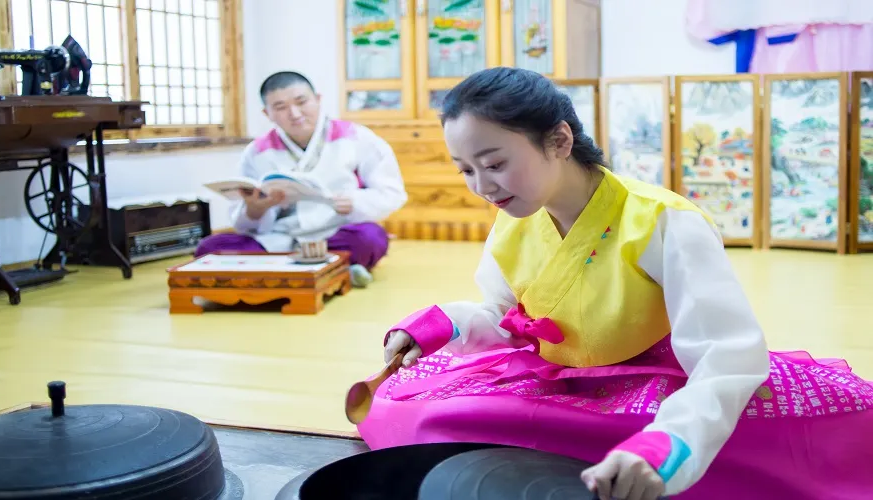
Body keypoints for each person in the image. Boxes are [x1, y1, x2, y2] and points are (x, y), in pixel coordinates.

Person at [356, 67, 873, 499]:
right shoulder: (515, 218)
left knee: (787, 446)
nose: (482, 187)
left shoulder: (664, 221)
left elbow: (725, 355)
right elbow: (504, 318)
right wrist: (442, 325)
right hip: (557, 379)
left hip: (656, 383)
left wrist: (667, 444)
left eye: (494, 164)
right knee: (403, 404)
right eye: (466, 170)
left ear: (559, 140)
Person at [195, 71, 407, 287]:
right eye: (280, 107)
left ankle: (285, 274)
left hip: (335, 233)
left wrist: (354, 202)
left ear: (318, 99)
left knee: (370, 237)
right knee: (209, 248)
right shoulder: (256, 152)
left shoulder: (356, 137)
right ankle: (336, 269)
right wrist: (255, 210)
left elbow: (392, 193)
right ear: (267, 113)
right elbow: (243, 220)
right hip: (279, 239)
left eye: (301, 102)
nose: (294, 114)